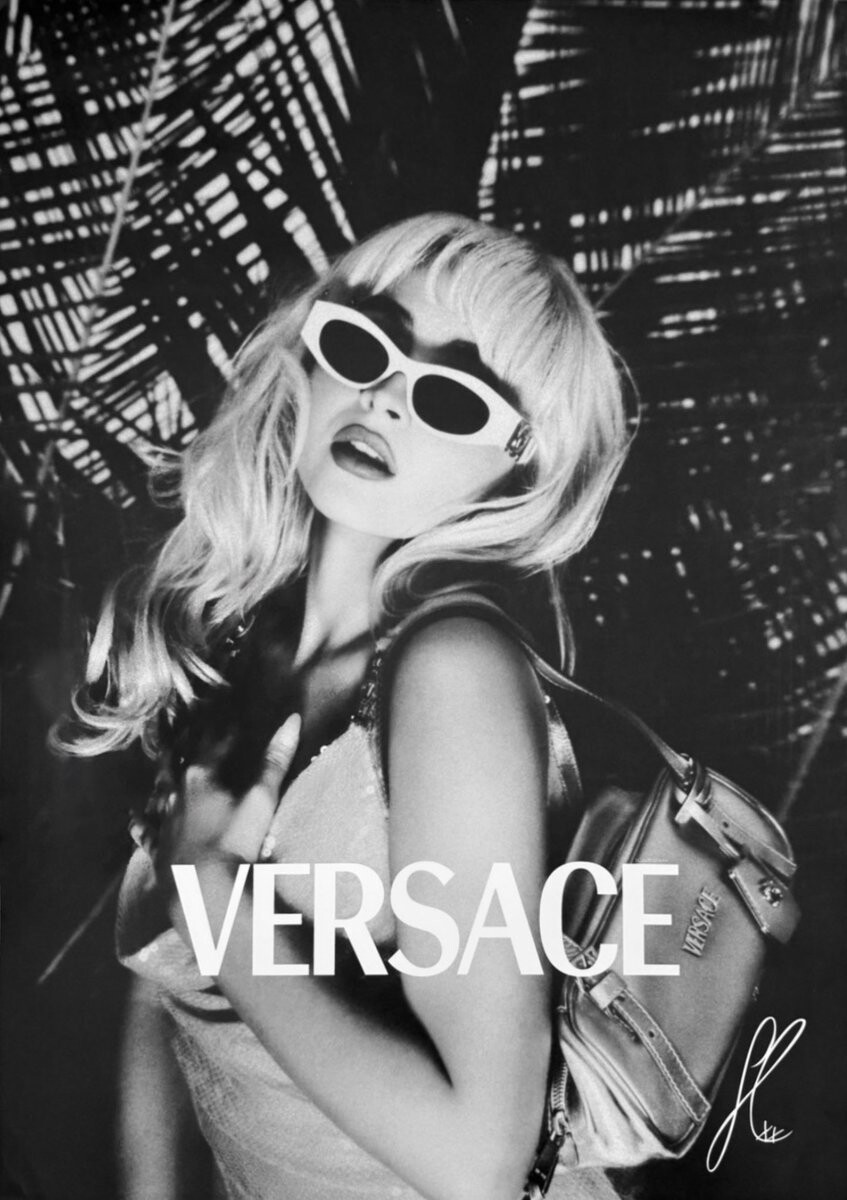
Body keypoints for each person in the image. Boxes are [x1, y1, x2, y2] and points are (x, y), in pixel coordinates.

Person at [65, 213, 632, 1200]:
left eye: (452, 397)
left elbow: (480, 1163)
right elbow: (168, 1004)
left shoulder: (453, 676)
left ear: (519, 467)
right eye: (364, 346)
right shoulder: (239, 640)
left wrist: (212, 886)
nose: (388, 398)